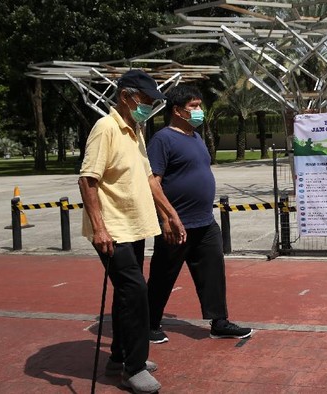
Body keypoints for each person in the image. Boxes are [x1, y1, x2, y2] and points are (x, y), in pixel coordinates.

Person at [78, 69, 186, 394]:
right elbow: (87, 179)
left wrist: (170, 216)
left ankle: (120, 357)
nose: (150, 106)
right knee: (136, 294)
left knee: (127, 294)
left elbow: (149, 179)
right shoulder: (106, 128)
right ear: (127, 96)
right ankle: (133, 368)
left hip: (134, 227)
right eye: (147, 100)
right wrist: (99, 229)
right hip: (112, 231)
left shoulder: (135, 130)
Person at [146, 85, 253, 344]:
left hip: (204, 221)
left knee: (213, 272)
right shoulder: (162, 140)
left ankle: (219, 322)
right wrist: (167, 218)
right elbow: (152, 182)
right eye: (193, 106)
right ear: (177, 110)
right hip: (176, 223)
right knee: (163, 275)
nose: (199, 111)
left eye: (199, 106)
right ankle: (148, 324)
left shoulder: (195, 137)